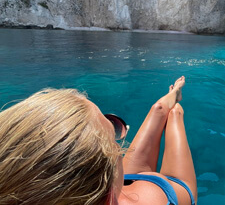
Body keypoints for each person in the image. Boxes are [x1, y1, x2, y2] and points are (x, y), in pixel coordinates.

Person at [0, 76, 197, 205]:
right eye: (113, 136)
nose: (121, 147)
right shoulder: (158, 199)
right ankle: (176, 99)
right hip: (164, 185)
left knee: (159, 109)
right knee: (173, 114)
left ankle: (173, 93)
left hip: (121, 181)